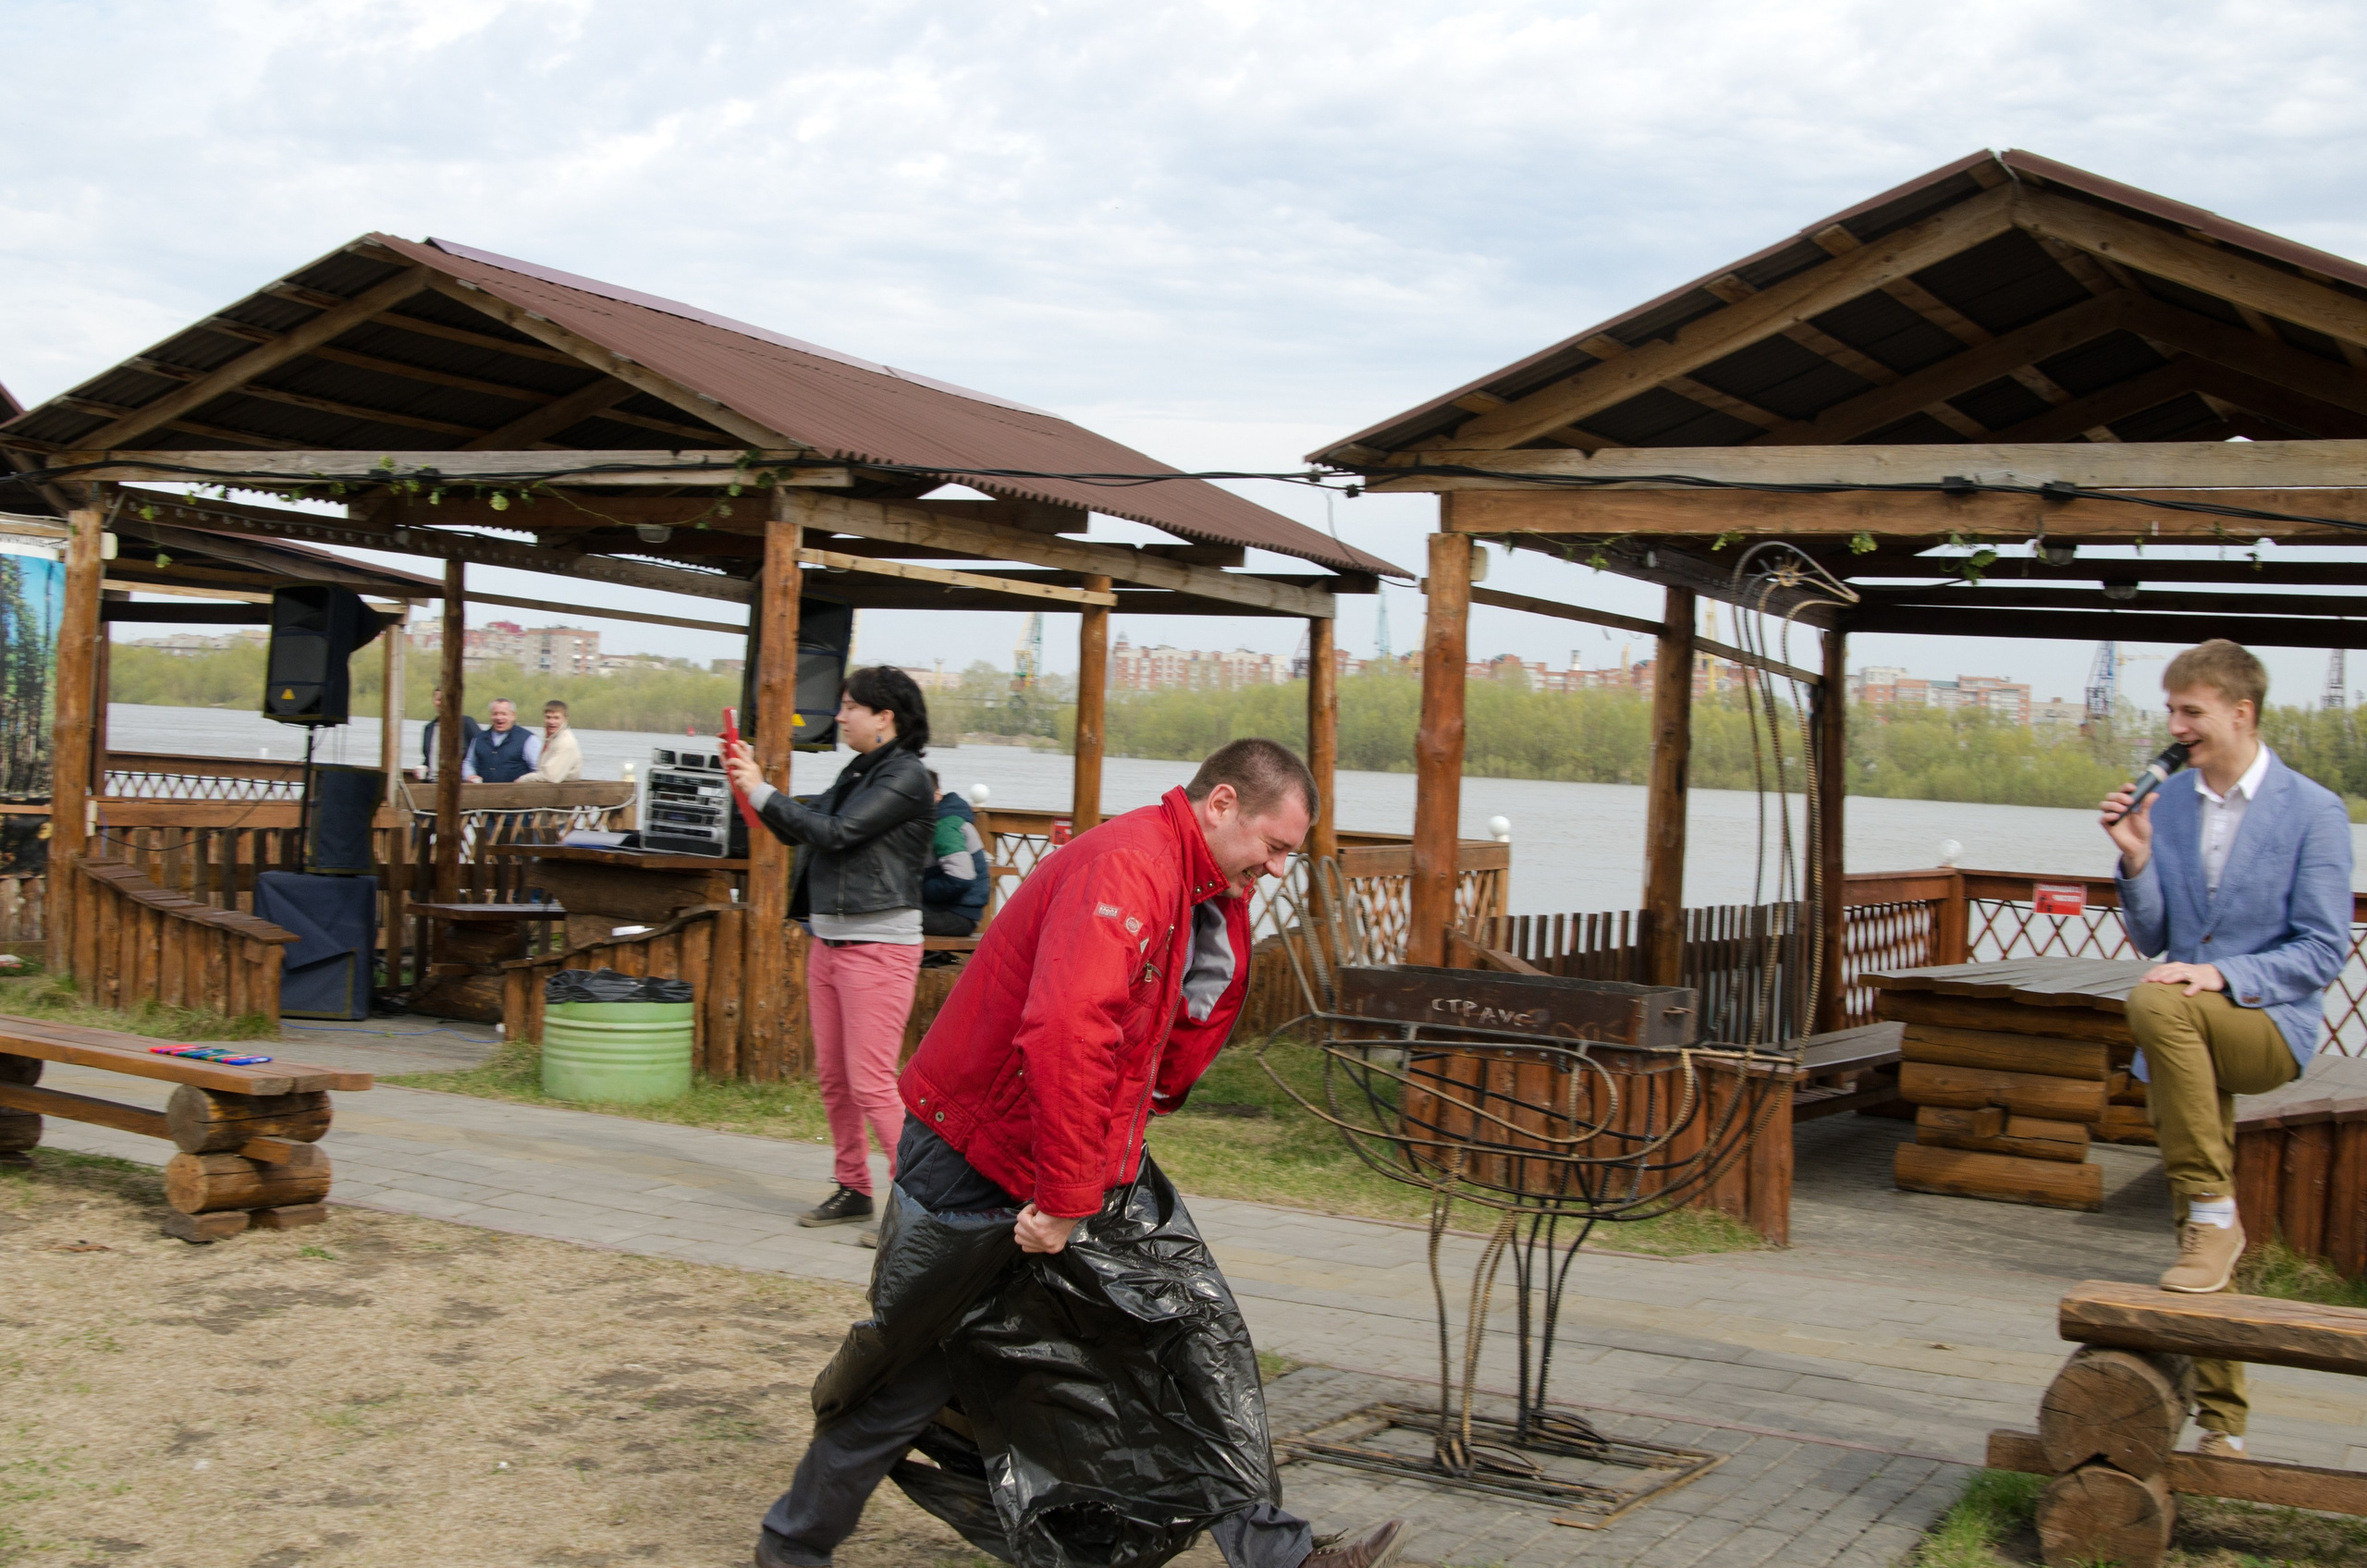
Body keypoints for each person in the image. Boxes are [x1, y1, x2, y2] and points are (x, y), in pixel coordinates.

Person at [753, 739, 1404, 1568]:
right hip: (978, 1156)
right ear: (1222, 805)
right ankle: (790, 1548)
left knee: (1185, 1340)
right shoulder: (1128, 870)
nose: (1278, 871)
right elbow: (1066, 1033)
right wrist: (1066, 1196)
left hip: (1071, 1153)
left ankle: (1284, 1557)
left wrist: (1084, 1175)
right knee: (910, 1378)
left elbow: (1150, 1045)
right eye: (1274, 848)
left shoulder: (1189, 881)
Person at [2103, 638, 2351, 1456]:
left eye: (2190, 712)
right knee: (2198, 1219)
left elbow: (2321, 951)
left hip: (2265, 1023)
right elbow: (2154, 938)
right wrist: (2135, 856)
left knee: (2156, 1006)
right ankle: (2222, 1426)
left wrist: (2219, 973)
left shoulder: (2311, 810)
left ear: (2240, 713)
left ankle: (2216, 1216)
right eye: (2170, 712)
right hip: (2184, 1027)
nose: (2174, 728)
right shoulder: (2169, 806)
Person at [723, 667, 936, 1231]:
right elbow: (804, 828)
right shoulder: (860, 771)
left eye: (849, 707)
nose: (838, 716)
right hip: (830, 942)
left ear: (883, 717)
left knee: (870, 1081)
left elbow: (838, 833)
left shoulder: (908, 776)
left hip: (878, 949)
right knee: (836, 1079)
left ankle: (919, 1212)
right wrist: (752, 785)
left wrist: (761, 788)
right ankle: (853, 1188)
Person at [919, 770, 988, 939]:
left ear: (937, 795)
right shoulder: (937, 820)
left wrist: (919, 888)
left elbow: (960, 878)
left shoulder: (945, 826)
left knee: (890, 919)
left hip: (959, 915)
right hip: (954, 910)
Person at [463, 698, 541, 782]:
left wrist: (525, 781)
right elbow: (469, 763)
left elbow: (538, 770)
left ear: (513, 716)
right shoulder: (479, 738)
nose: (499, 718)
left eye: (504, 714)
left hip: (517, 793)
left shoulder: (528, 739)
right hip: (483, 793)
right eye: (495, 714)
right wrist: (469, 775)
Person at [421, 687, 481, 777]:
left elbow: (482, 750)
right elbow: (428, 760)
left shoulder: (467, 724)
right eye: (438, 700)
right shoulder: (429, 728)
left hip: (458, 784)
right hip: (431, 783)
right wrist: (423, 768)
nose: (442, 703)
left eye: (446, 699)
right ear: (434, 701)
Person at [531, 699, 583, 782]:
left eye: (556, 718)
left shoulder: (566, 742)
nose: (551, 722)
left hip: (566, 792)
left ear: (565, 719)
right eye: (548, 717)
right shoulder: (552, 738)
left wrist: (522, 780)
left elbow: (549, 777)